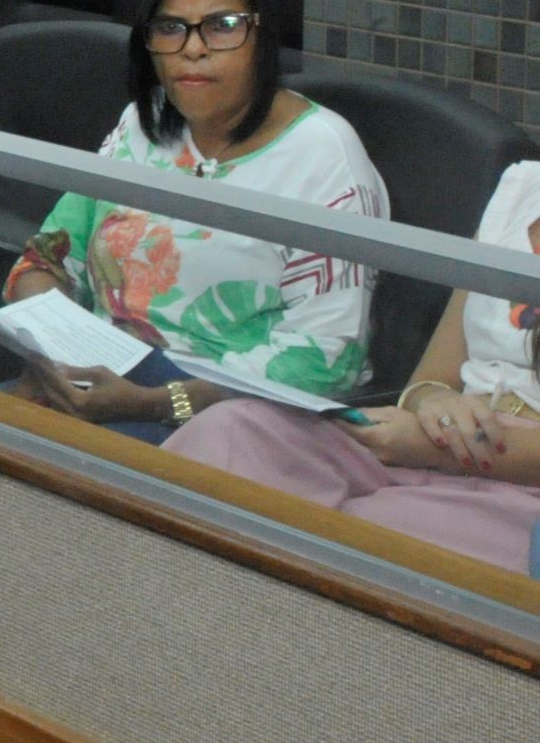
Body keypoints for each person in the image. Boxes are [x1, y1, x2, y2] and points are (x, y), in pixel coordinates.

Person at [5, 0, 383, 440]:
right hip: (102, 383)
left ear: (263, 35)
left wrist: (159, 402)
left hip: (237, 422)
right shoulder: (142, 123)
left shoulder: (325, 157)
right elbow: (46, 258)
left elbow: (328, 359)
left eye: (222, 26)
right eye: (170, 28)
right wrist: (51, 352)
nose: (193, 48)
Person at [163, 163, 540, 575]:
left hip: (515, 485)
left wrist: (441, 447)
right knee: (231, 431)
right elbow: (432, 380)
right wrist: (434, 401)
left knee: (360, 533)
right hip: (430, 440)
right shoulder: (522, 188)